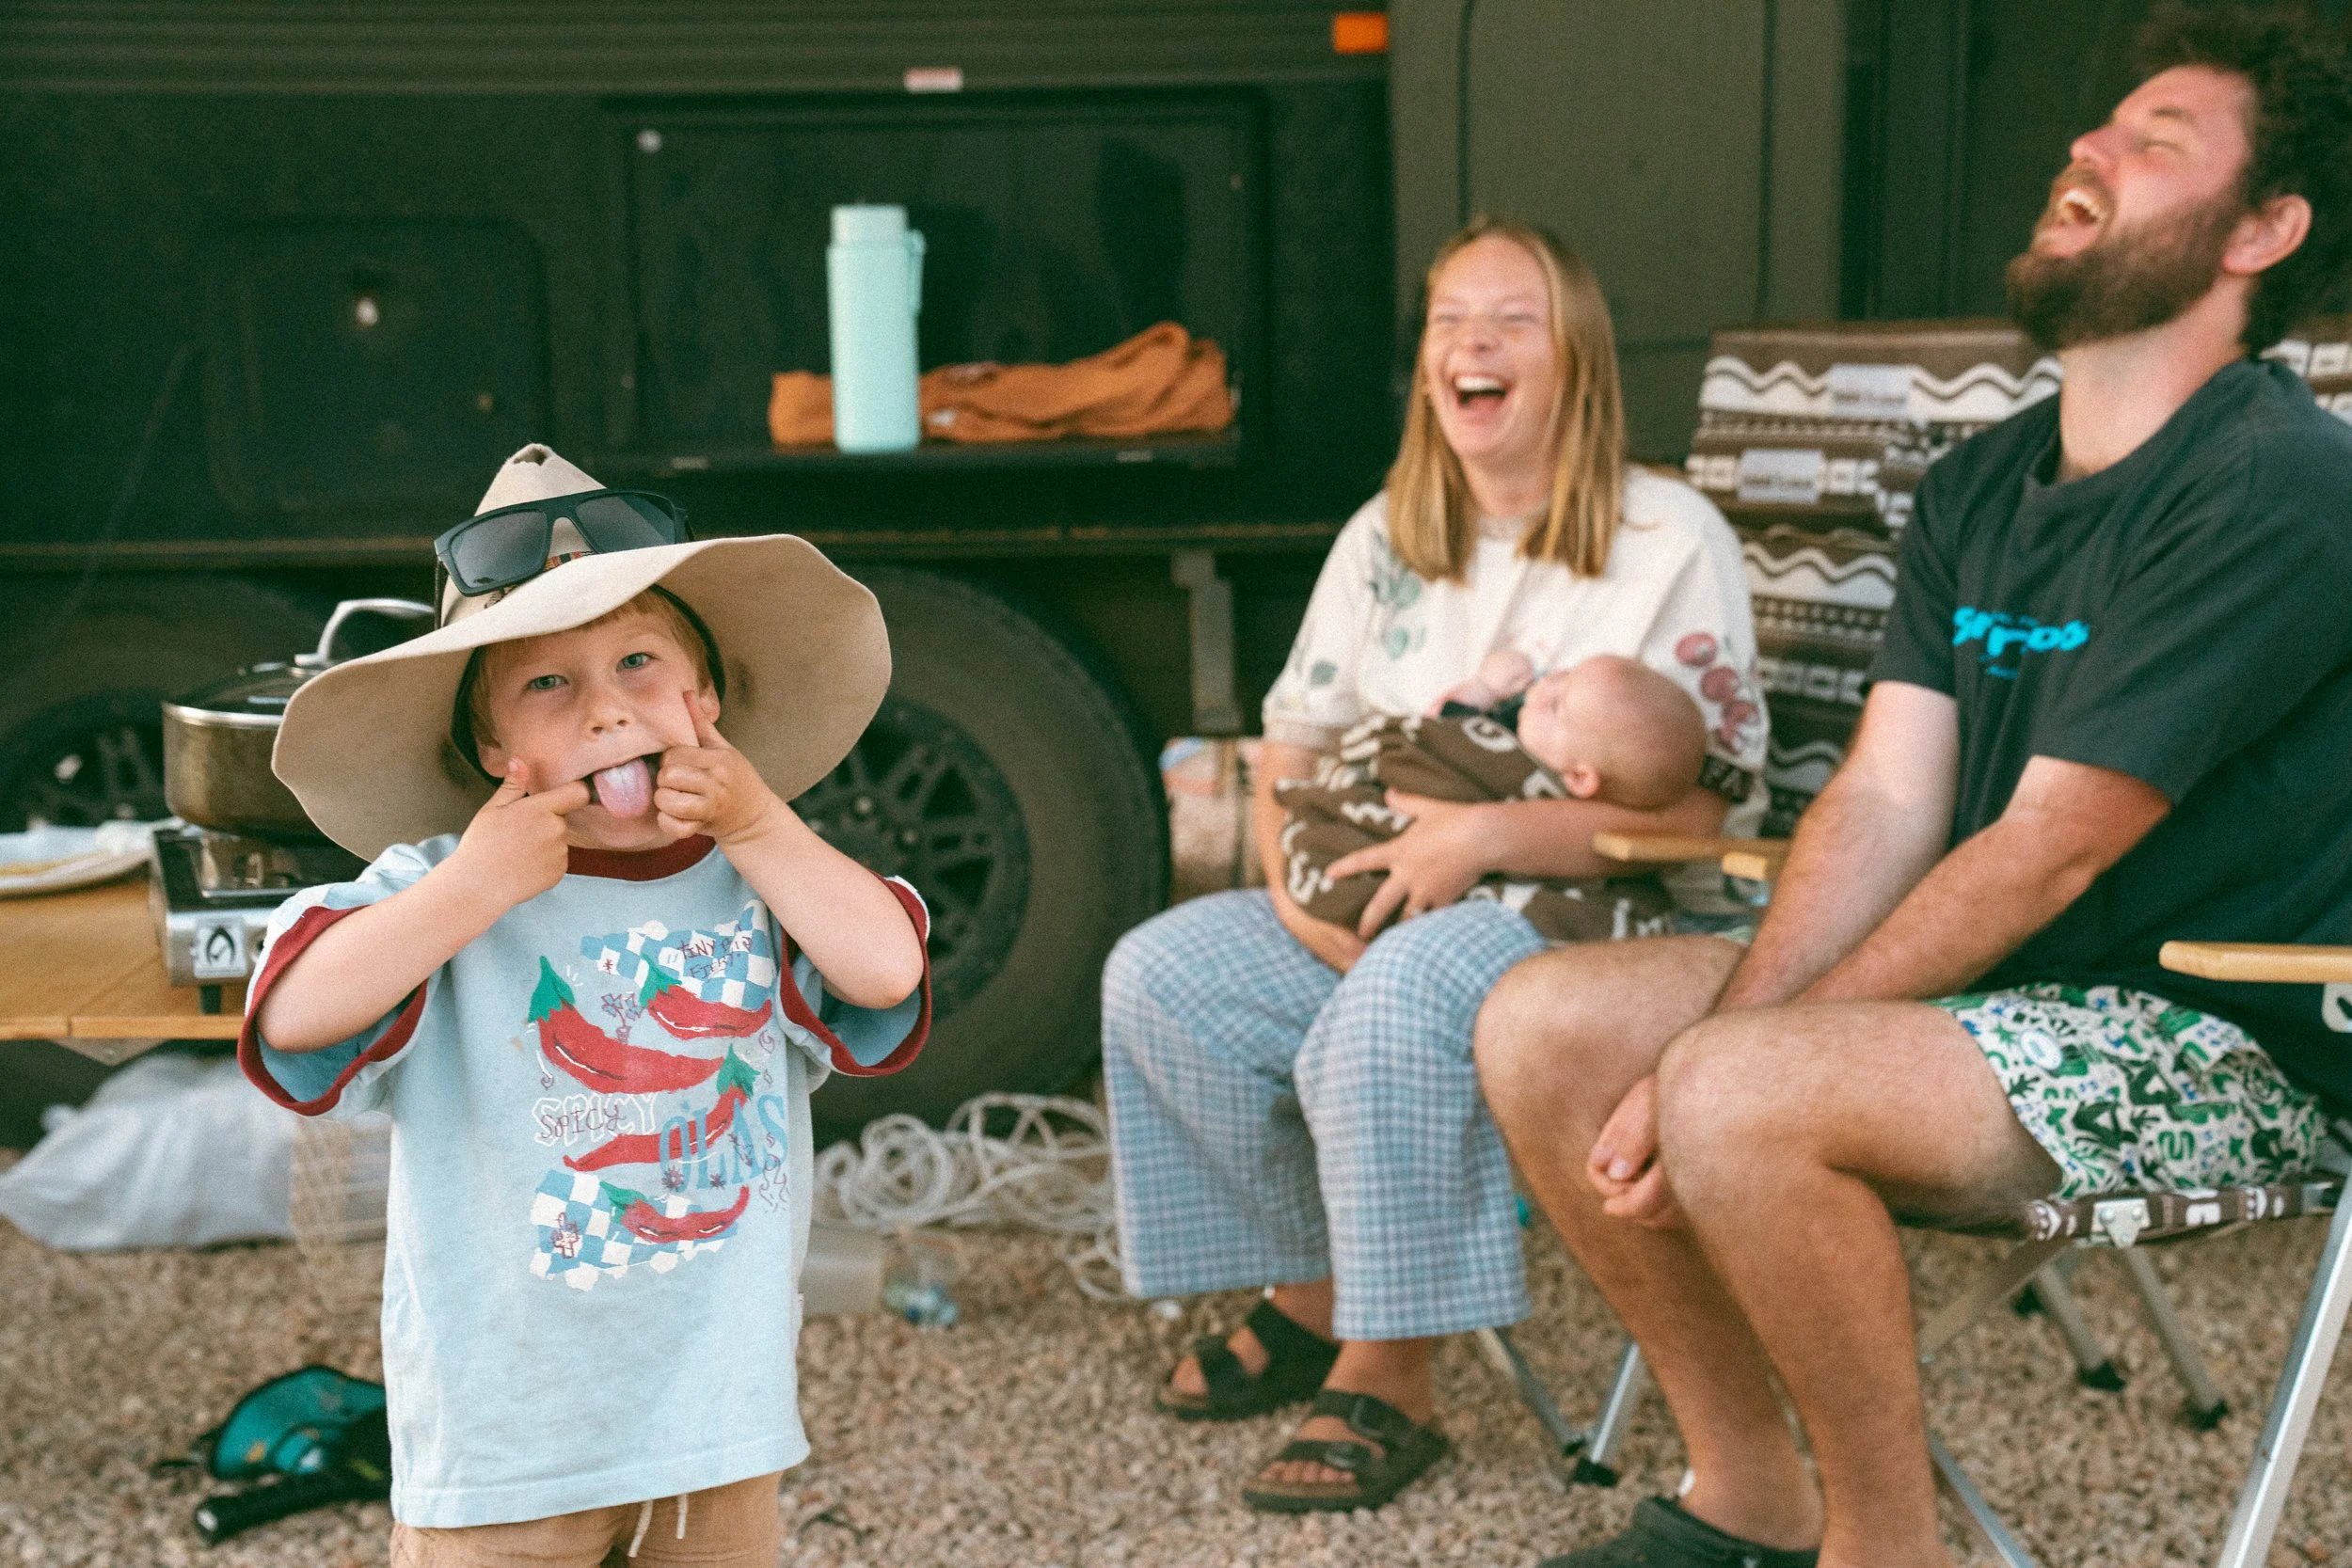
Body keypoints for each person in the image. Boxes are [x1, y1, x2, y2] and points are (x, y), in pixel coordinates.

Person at [1474, 10, 2352, 1567]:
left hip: (2228, 1024)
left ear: (2264, 229)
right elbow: (1885, 800)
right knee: (1547, 1025)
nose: (2090, 151)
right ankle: (1751, 1486)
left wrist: (1734, 1057)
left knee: (1736, 1086)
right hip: (2012, 996)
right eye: (2097, 129)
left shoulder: (2277, 479)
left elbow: (2050, 850)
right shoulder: (1977, 485)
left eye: (2158, 142)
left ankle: (1889, 1546)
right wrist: (1731, 1029)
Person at [1102, 220, 1769, 1513]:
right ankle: (1316, 1282)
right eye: (1449, 319)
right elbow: (1286, 747)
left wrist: (1481, 837)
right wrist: (1301, 897)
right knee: (1161, 973)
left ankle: (1388, 1374)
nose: (1471, 342)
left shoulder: (1666, 533)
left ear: (1575, 358)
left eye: (1512, 318)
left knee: (1399, 1000)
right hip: (1370, 897)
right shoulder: (1386, 537)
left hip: (1592, 920)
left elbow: (1701, 819)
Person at [237, 445, 931, 1567]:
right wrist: (469, 884)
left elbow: (886, 969)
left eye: (641, 661)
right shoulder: (442, 886)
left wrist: (760, 827)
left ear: (708, 702)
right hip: (506, 1447)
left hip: (715, 1427)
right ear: (491, 747)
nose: (610, 710)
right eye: (549, 683)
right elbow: (293, 1017)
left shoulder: (768, 873)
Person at [1276, 654, 1706, 942]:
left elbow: (1433, 736)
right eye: (1561, 677)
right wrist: (1483, 689)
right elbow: (1442, 728)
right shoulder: (1522, 730)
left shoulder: (1522, 770)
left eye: (1556, 706)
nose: (1539, 690)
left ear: (1578, 778)